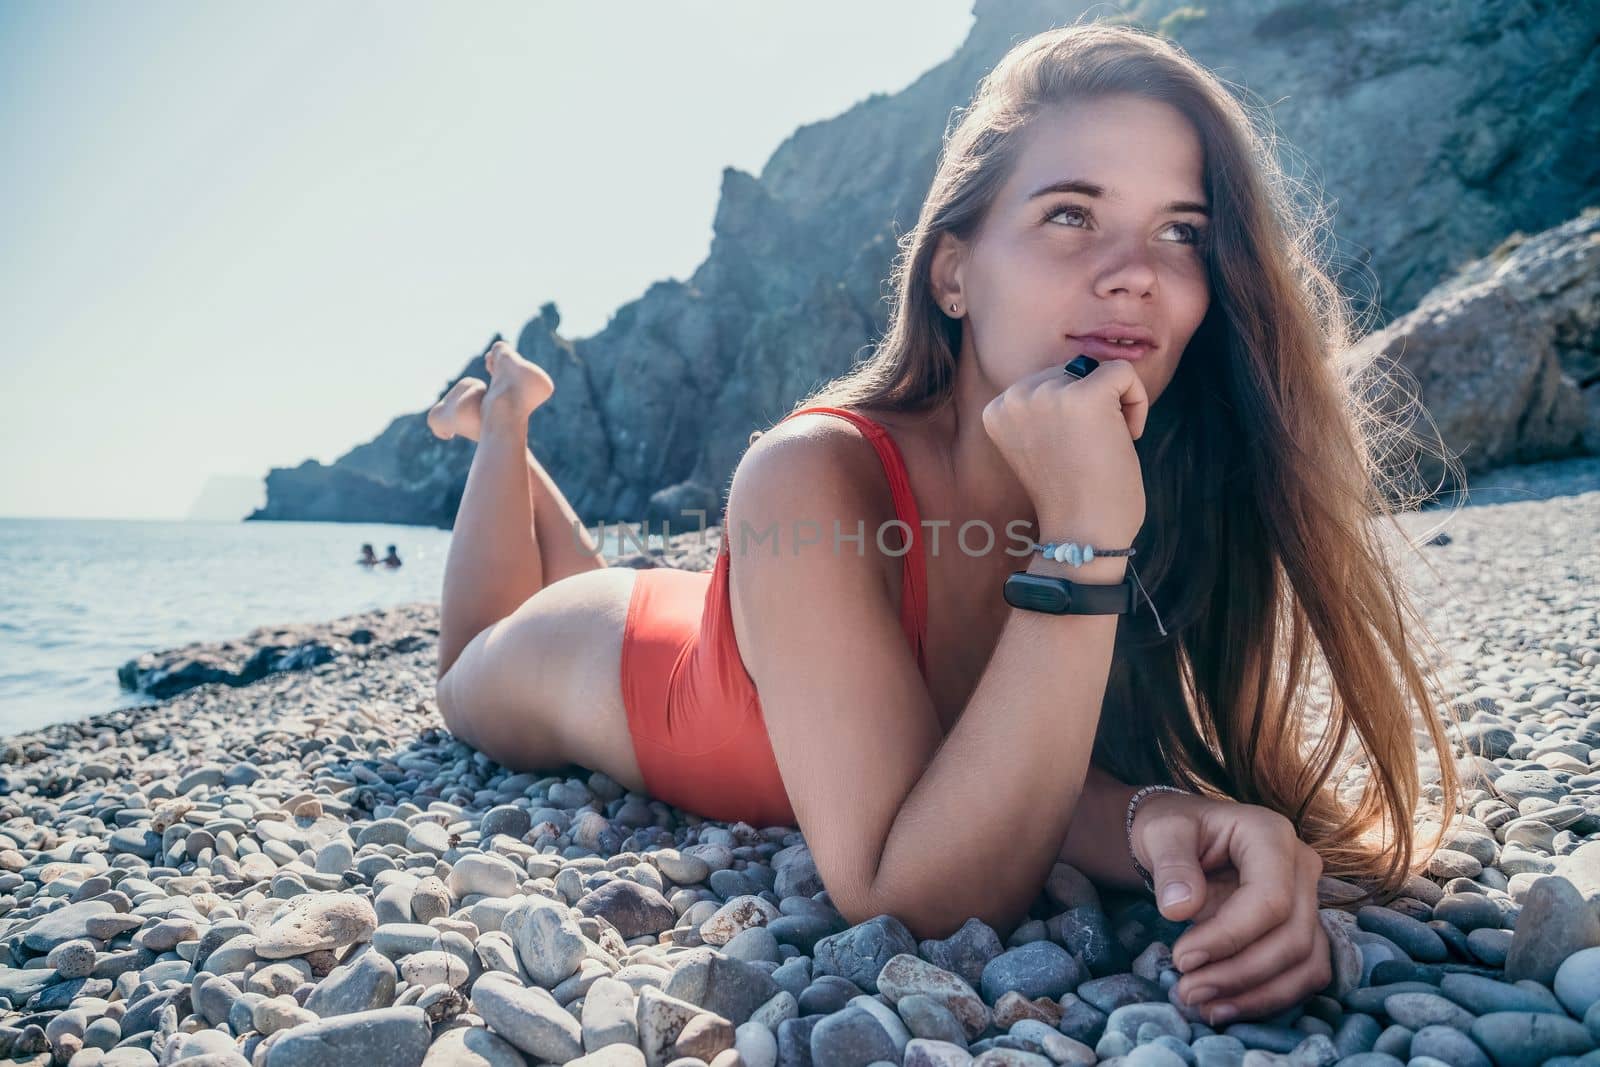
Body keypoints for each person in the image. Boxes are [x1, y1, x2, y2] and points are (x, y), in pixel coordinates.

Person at [423, 22, 1467, 1026]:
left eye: (1181, 231)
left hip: (764, 625)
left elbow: (984, 756)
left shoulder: (1146, 477)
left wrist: (1158, 816)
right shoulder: (811, 470)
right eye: (1069, 213)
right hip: (600, 657)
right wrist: (1084, 540)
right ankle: (505, 413)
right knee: (466, 659)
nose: (1134, 270)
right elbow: (905, 891)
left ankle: (512, 435)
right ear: (953, 271)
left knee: (587, 574)